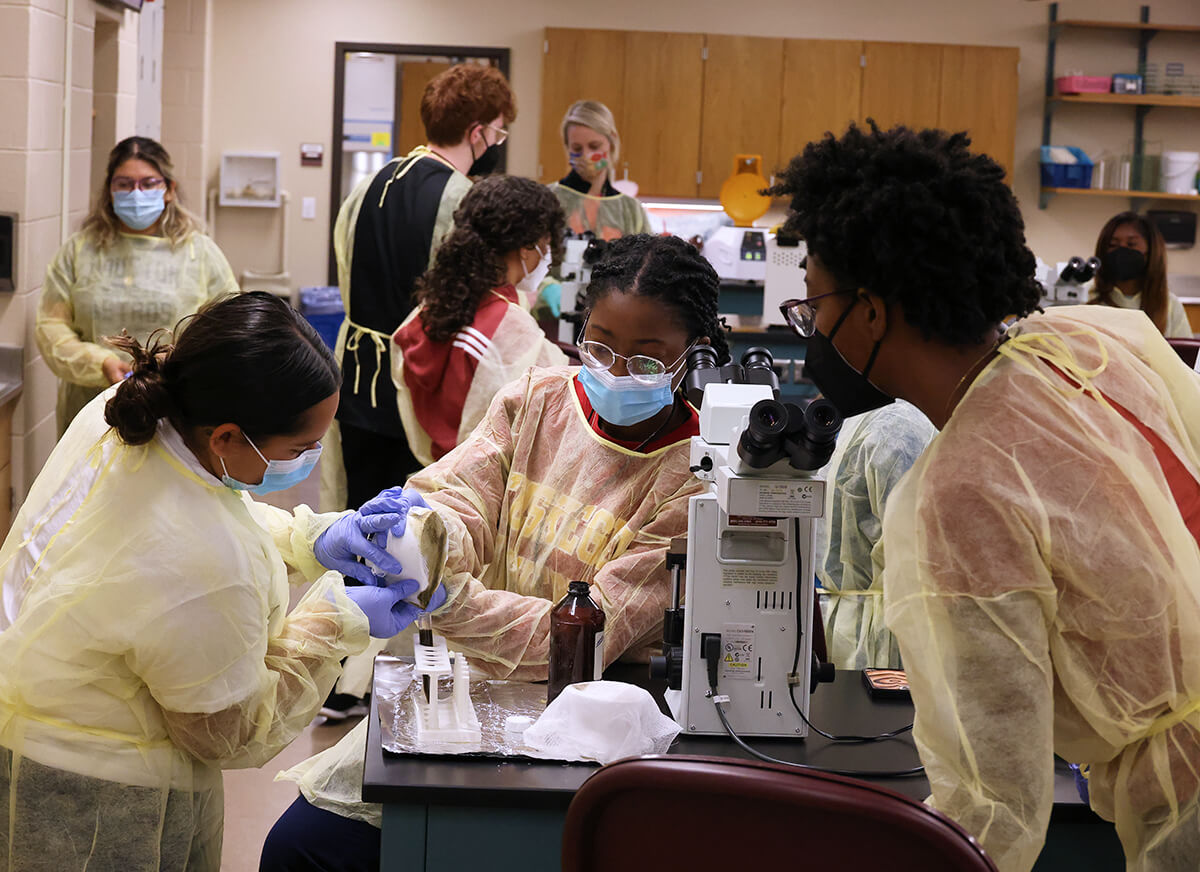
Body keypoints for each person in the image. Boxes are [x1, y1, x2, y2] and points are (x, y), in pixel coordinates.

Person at [771, 122, 1200, 872]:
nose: (812, 335)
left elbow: (990, 817)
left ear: (872, 312)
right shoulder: (1092, 342)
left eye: (814, 307)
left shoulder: (959, 489)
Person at [260, 233, 729, 871]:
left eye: (648, 361)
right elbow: (462, 499)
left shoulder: (695, 480)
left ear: (692, 359)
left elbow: (580, 635)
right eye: (600, 347)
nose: (617, 372)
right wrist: (420, 535)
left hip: (588, 729)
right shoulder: (535, 401)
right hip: (465, 693)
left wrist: (449, 600)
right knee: (301, 849)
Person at [0, 292, 428, 871]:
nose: (310, 458)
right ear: (227, 435)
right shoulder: (199, 562)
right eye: (300, 448)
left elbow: (213, 510)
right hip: (99, 798)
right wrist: (340, 619)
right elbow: (227, 732)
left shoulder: (128, 412)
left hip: (30, 717)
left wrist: (313, 539)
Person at [331, 63, 516, 512]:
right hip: (417, 382)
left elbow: (344, 264)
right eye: (499, 132)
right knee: (406, 518)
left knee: (359, 510)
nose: (497, 143)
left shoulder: (371, 182)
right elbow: (469, 299)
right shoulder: (462, 197)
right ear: (478, 132)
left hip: (354, 377)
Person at [35, 136, 239, 435]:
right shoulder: (80, 251)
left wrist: (175, 364)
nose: (136, 193)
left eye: (148, 183)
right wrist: (100, 363)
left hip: (175, 410)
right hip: (92, 411)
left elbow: (230, 326)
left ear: (169, 189)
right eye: (125, 184)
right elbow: (51, 327)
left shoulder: (199, 252)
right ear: (110, 191)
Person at [393, 174, 569, 465]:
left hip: (432, 469)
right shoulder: (511, 326)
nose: (547, 255)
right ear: (527, 246)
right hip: (482, 486)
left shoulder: (432, 307)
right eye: (546, 243)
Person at [812, 400, 934, 669]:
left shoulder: (855, 420)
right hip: (891, 639)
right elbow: (920, 556)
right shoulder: (903, 432)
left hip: (839, 624)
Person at [538, 101, 653, 320]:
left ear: (611, 141)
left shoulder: (630, 210)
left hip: (612, 325)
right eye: (577, 149)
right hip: (551, 324)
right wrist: (546, 289)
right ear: (567, 148)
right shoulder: (548, 200)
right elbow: (525, 263)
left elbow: (646, 271)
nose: (587, 156)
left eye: (594, 146)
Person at [1088, 211, 1193, 338]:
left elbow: (1185, 354)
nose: (1122, 250)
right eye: (1112, 245)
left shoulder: (1169, 305)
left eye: (1131, 244)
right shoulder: (1088, 298)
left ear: (1151, 251)